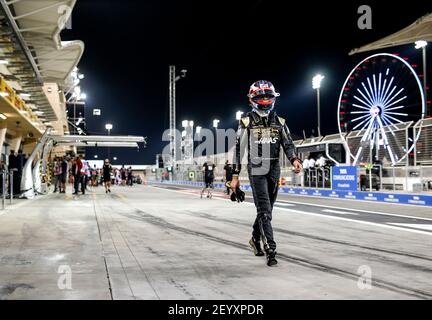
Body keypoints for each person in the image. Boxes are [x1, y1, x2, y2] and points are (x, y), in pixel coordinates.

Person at [231, 80, 302, 267]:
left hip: (274, 169)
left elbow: (288, 144)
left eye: (267, 96)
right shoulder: (246, 122)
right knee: (264, 210)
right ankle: (271, 248)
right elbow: (239, 150)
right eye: (260, 96)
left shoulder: (280, 122)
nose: (264, 99)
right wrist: (235, 176)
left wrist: (295, 159)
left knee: (267, 210)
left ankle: (255, 238)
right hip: (256, 170)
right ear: (252, 99)